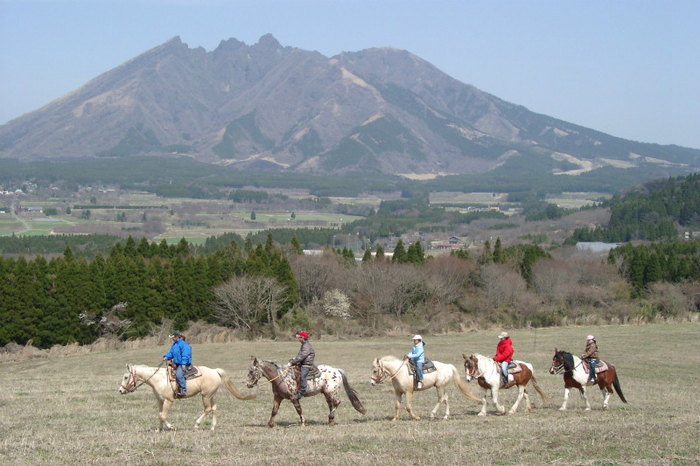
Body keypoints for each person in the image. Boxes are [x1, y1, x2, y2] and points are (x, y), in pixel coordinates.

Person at [163, 331, 192, 397]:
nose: (172, 339)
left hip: (184, 364)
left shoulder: (184, 345)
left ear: (176, 337)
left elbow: (185, 355)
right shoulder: (175, 345)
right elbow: (171, 353)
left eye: (173, 337)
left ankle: (183, 391)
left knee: (179, 375)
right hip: (177, 363)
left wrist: (183, 364)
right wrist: (166, 356)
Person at [289, 331, 315, 399]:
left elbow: (302, 356)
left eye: (299, 337)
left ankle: (302, 392)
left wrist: (293, 361)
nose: (298, 339)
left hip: (306, 365)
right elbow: (300, 356)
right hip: (302, 363)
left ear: (303, 338)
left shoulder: (306, 346)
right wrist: (294, 360)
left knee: (302, 376)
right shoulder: (304, 344)